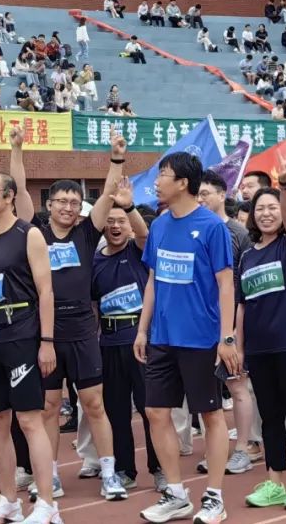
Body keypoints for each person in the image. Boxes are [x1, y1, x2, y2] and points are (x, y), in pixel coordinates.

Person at [9, 127, 128, 502]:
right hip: (45, 330)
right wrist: (17, 149)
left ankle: (109, 473)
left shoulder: (87, 233)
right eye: (61, 201)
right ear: (49, 204)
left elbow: (109, 193)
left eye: (74, 202)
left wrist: (116, 157)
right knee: (48, 407)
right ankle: (51, 475)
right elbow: (19, 189)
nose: (68, 207)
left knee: (94, 404)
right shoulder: (34, 232)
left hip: (81, 329)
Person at [134, 152, 237, 524]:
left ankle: (214, 497)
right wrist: (143, 329)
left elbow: (226, 285)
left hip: (200, 338)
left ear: (182, 183)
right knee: (155, 412)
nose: (157, 181)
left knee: (210, 414)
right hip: (163, 337)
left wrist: (226, 338)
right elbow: (152, 281)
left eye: (163, 174)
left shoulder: (211, 227)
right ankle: (176, 494)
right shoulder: (160, 224)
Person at [0, 170, 60, 524]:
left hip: (22, 334)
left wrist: (47, 341)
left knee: (29, 420)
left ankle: (47, 503)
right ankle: (8, 500)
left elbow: (46, 291)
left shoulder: (29, 234)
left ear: (9, 196)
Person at [236, 168, 286, 511]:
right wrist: (238, 346)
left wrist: (284, 187)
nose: (266, 214)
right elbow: (242, 305)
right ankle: (274, 482)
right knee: (269, 417)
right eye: (260, 209)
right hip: (258, 349)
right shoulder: (247, 255)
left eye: (272, 208)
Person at [91, 197, 159, 491]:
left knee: (150, 408)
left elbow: (144, 234)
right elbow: (94, 305)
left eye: (121, 221)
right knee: (116, 410)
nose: (116, 226)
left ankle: (160, 468)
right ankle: (124, 469)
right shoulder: (95, 261)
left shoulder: (138, 250)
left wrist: (130, 208)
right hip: (109, 343)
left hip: (140, 341)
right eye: (110, 221)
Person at [198, 170, 259, 471]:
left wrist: (235, 330)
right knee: (204, 390)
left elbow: (244, 283)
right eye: (197, 194)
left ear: (222, 195)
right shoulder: (194, 228)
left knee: (237, 385)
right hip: (200, 323)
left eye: (205, 193)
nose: (200, 199)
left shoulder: (238, 233)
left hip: (232, 321)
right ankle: (214, 449)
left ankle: (242, 449)